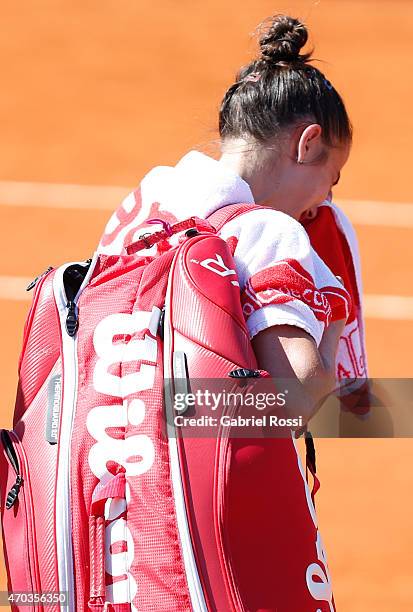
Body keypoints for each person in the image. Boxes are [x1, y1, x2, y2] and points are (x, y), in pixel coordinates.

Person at [98, 14, 358, 610]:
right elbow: (291, 397)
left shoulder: (149, 197)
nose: (325, 203)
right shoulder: (269, 234)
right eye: (331, 180)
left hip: (109, 514)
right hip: (193, 528)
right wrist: (332, 325)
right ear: (308, 142)